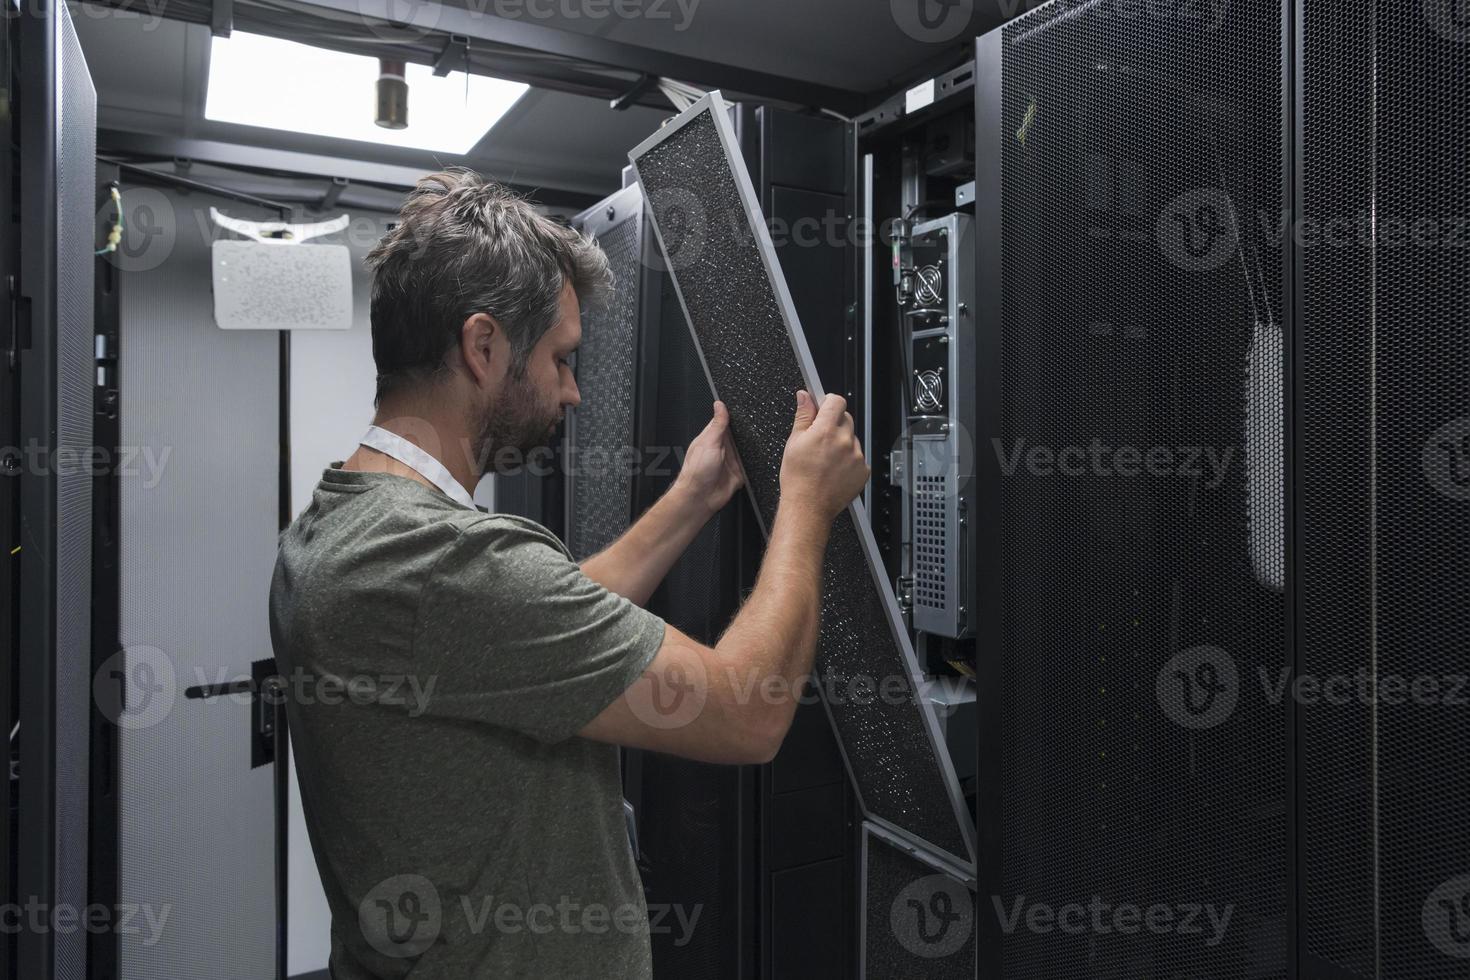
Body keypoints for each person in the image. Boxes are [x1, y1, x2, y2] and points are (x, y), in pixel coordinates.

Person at [268, 168, 868, 979]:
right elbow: (747, 713)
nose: (574, 390)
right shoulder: (441, 561)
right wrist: (806, 505)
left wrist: (690, 500)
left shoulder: (338, 524)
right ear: (484, 347)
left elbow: (537, 630)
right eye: (560, 358)